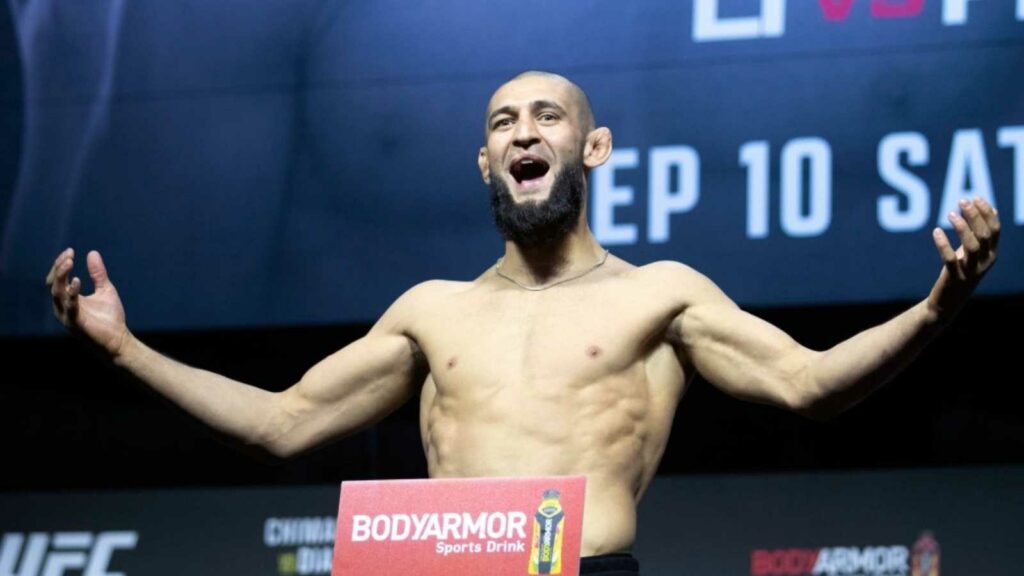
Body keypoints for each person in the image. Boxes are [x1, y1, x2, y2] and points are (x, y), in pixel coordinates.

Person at [45, 71, 1000, 575]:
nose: (524, 132)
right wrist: (125, 350)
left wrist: (937, 306)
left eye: (547, 117)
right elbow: (282, 421)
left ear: (593, 148)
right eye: (504, 122)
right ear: (484, 160)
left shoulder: (658, 294)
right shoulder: (432, 310)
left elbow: (810, 385)